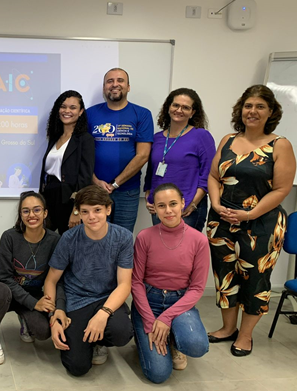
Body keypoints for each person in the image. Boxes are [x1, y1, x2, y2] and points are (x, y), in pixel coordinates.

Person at [206, 85, 296, 357]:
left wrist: (249, 214)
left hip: (261, 225)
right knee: (225, 277)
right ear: (240, 110)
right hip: (222, 221)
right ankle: (227, 328)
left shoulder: (280, 145)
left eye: (259, 106)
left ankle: (245, 336)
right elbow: (213, 176)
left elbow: (282, 189)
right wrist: (217, 204)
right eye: (248, 106)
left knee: (255, 279)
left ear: (271, 112)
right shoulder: (227, 140)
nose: (252, 111)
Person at [44, 185, 133, 376]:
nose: (91, 217)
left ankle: (99, 340)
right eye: (85, 211)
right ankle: (86, 340)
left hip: (106, 298)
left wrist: (103, 314)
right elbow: (51, 280)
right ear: (78, 213)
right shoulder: (68, 238)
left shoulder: (123, 238)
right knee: (77, 367)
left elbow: (125, 284)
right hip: (76, 301)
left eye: (97, 210)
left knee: (122, 332)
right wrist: (53, 316)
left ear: (108, 209)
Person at [132, 183, 210, 384]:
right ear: (154, 208)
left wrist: (166, 318)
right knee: (158, 374)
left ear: (183, 203)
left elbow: (197, 288)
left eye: (173, 204)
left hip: (180, 302)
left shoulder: (199, 240)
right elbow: (136, 282)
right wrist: (150, 321)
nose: (168, 210)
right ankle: (147, 336)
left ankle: (174, 338)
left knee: (196, 346)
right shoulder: (144, 237)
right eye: (161, 206)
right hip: (149, 303)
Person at [0, 191, 60, 364]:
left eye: (37, 210)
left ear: (45, 213)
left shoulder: (55, 240)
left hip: (33, 293)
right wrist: (34, 304)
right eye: (25, 211)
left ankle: (25, 319)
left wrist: (50, 307)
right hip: (3, 290)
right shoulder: (9, 237)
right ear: (20, 215)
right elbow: (4, 276)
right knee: (0, 291)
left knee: (42, 332)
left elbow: (57, 278)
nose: (31, 215)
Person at [87, 68, 153, 232]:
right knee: (95, 237)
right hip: (95, 190)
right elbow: (82, 154)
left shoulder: (142, 114)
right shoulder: (89, 114)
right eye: (110, 81)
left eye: (120, 80)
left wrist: (115, 184)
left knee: (122, 239)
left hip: (127, 192)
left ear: (128, 87)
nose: (115, 84)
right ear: (104, 88)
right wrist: (96, 182)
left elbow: (143, 155)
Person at [144, 88, 216, 231]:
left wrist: (193, 203)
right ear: (168, 107)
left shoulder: (201, 136)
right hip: (159, 206)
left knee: (184, 252)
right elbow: (151, 172)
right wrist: (148, 196)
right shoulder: (157, 138)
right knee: (162, 249)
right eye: (175, 105)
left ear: (193, 112)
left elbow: (209, 173)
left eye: (186, 107)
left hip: (188, 207)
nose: (179, 110)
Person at [40, 90, 95, 234]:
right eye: (63, 106)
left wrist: (76, 210)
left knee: (70, 245)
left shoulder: (85, 139)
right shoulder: (54, 137)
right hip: (49, 198)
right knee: (47, 244)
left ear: (81, 111)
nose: (67, 111)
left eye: (73, 107)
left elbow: (85, 178)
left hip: (69, 200)